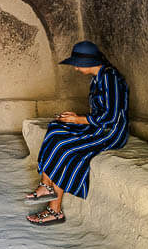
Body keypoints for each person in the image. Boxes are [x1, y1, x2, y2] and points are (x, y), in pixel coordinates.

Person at [26, 40, 129, 226]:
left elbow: (112, 116)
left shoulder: (109, 77)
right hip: (97, 125)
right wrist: (74, 117)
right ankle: (45, 185)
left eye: (76, 64)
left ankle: (54, 211)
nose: (75, 68)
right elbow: (100, 112)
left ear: (87, 63)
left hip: (110, 132)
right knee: (56, 128)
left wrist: (79, 120)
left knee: (65, 148)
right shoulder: (98, 77)